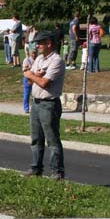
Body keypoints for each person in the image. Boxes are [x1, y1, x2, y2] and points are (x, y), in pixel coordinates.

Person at [23, 30, 66, 180]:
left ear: (49, 43)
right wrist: (34, 75)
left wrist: (32, 75)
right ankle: (36, 168)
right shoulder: (40, 59)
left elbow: (44, 82)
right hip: (36, 102)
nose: (37, 45)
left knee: (52, 139)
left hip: (49, 104)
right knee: (36, 138)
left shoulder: (57, 61)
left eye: (40, 42)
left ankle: (57, 172)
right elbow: (29, 80)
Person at [22, 48, 36, 114]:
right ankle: (26, 108)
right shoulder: (26, 60)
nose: (34, 54)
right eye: (33, 53)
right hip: (27, 78)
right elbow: (24, 69)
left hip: (35, 78)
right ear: (30, 53)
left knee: (35, 94)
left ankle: (35, 108)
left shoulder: (37, 60)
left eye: (35, 53)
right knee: (27, 94)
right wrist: (30, 67)